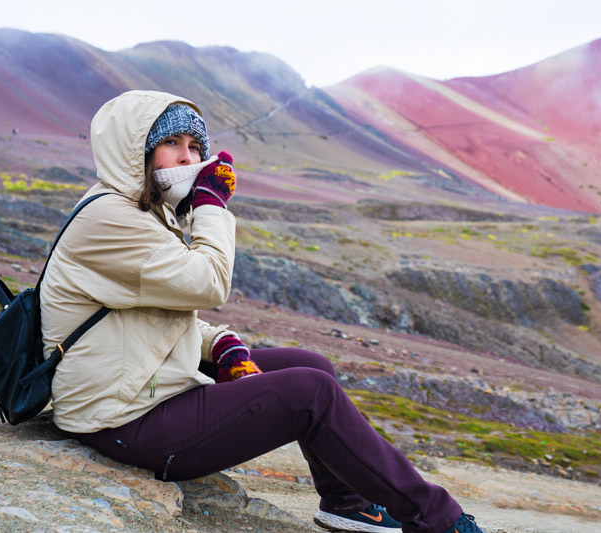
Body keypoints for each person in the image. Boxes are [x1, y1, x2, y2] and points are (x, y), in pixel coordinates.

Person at [41, 90, 485, 533]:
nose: (186, 157)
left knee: (313, 365)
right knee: (310, 394)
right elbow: (209, 282)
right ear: (136, 150)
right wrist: (210, 207)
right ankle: (437, 520)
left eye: (195, 147)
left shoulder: (146, 210)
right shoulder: (111, 220)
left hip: (144, 383)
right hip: (121, 418)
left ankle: (346, 504)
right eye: (172, 143)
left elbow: (148, 314)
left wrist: (222, 346)